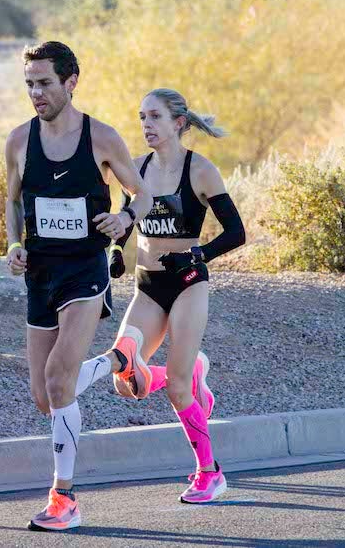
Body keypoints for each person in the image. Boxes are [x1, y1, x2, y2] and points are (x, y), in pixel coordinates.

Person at [5, 41, 154, 531]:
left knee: (58, 378)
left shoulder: (101, 138)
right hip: (39, 272)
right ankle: (119, 360)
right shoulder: (19, 141)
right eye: (29, 83)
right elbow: (12, 201)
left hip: (85, 271)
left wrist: (124, 217)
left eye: (45, 82)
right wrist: (13, 243)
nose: (36, 93)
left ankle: (63, 497)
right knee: (44, 395)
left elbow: (143, 192)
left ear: (71, 82)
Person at [74, 88, 245, 504]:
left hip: (188, 284)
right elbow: (123, 223)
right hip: (147, 286)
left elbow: (236, 233)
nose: (146, 125)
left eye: (154, 117)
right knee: (126, 383)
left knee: (177, 390)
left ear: (178, 123)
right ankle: (189, 374)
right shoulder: (135, 169)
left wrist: (195, 254)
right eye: (141, 117)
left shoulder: (200, 171)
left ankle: (210, 472)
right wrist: (115, 253)